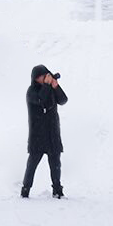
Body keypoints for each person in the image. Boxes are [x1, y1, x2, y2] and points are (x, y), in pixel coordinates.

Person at [22, 65, 67, 198]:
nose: (45, 78)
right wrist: (47, 86)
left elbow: (63, 100)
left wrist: (55, 87)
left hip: (52, 133)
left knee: (55, 164)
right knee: (32, 164)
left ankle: (57, 190)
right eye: (42, 76)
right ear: (36, 79)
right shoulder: (31, 91)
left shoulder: (50, 89)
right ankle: (26, 189)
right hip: (38, 135)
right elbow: (41, 100)